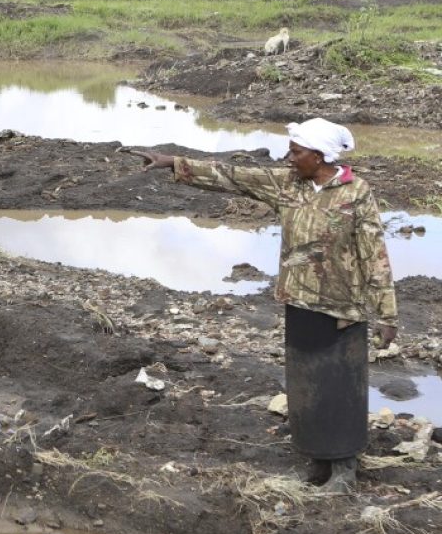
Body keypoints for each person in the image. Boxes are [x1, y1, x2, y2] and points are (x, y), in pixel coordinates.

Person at [134, 118, 397, 493]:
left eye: (296, 152)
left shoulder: (356, 192)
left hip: (343, 309)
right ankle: (317, 459)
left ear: (319, 155)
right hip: (299, 301)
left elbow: (375, 255)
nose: (289, 158)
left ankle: (344, 468)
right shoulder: (287, 184)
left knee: (340, 387)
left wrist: (387, 313)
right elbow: (233, 176)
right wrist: (173, 163)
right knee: (306, 382)